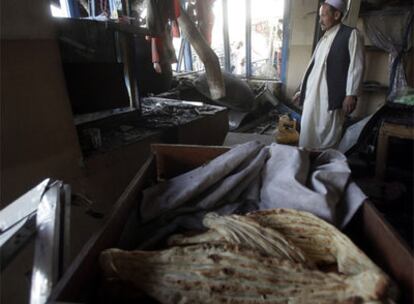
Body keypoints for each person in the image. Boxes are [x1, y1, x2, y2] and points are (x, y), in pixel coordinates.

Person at [293, 0, 364, 150]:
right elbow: (313, 68)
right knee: (307, 130)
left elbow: (356, 66)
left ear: (337, 14)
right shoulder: (324, 38)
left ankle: (325, 165)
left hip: (330, 97)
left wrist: (351, 94)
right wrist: (303, 90)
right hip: (312, 96)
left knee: (328, 133)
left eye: (324, 16)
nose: (321, 20)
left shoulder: (351, 34)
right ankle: (308, 162)